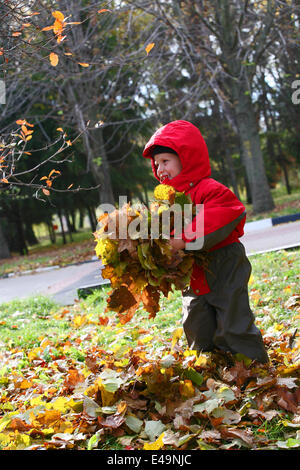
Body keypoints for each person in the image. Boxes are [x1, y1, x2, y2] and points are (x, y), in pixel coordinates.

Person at [142, 120, 269, 364]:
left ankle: (254, 368)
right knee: (196, 322)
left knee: (233, 321)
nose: (159, 169)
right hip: (193, 271)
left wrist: (181, 240)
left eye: (165, 161)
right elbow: (162, 232)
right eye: (156, 164)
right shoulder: (169, 202)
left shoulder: (209, 189)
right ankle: (208, 367)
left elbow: (221, 214)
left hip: (224, 266)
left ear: (186, 158)